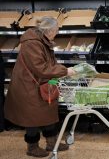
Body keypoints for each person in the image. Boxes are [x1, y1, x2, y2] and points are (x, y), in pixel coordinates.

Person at [4, 17, 76, 158]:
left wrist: (61, 70)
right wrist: (65, 71)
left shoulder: (42, 40)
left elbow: (47, 64)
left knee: (48, 113)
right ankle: (32, 147)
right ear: (49, 31)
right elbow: (40, 68)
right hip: (28, 86)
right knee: (32, 118)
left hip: (41, 83)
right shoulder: (32, 44)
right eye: (56, 30)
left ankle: (51, 142)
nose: (57, 33)